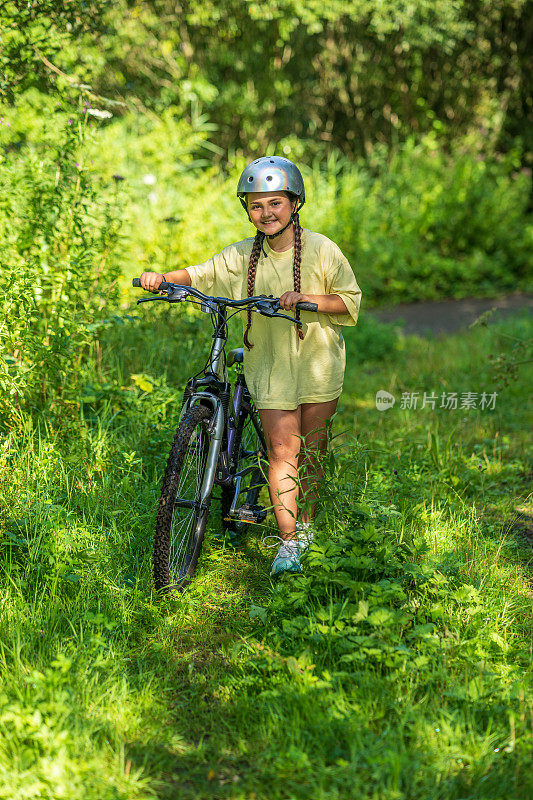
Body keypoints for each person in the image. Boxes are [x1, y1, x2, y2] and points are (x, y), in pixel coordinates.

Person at [140, 156, 362, 577]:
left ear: (295, 203)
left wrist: (306, 299)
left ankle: (308, 525)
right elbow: (201, 273)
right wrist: (161, 276)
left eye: (275, 203)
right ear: (247, 209)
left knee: (313, 452)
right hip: (269, 363)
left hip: (317, 364)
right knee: (283, 451)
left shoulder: (322, 248)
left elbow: (349, 300)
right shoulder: (243, 255)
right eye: (256, 206)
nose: (266, 213)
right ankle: (289, 542)